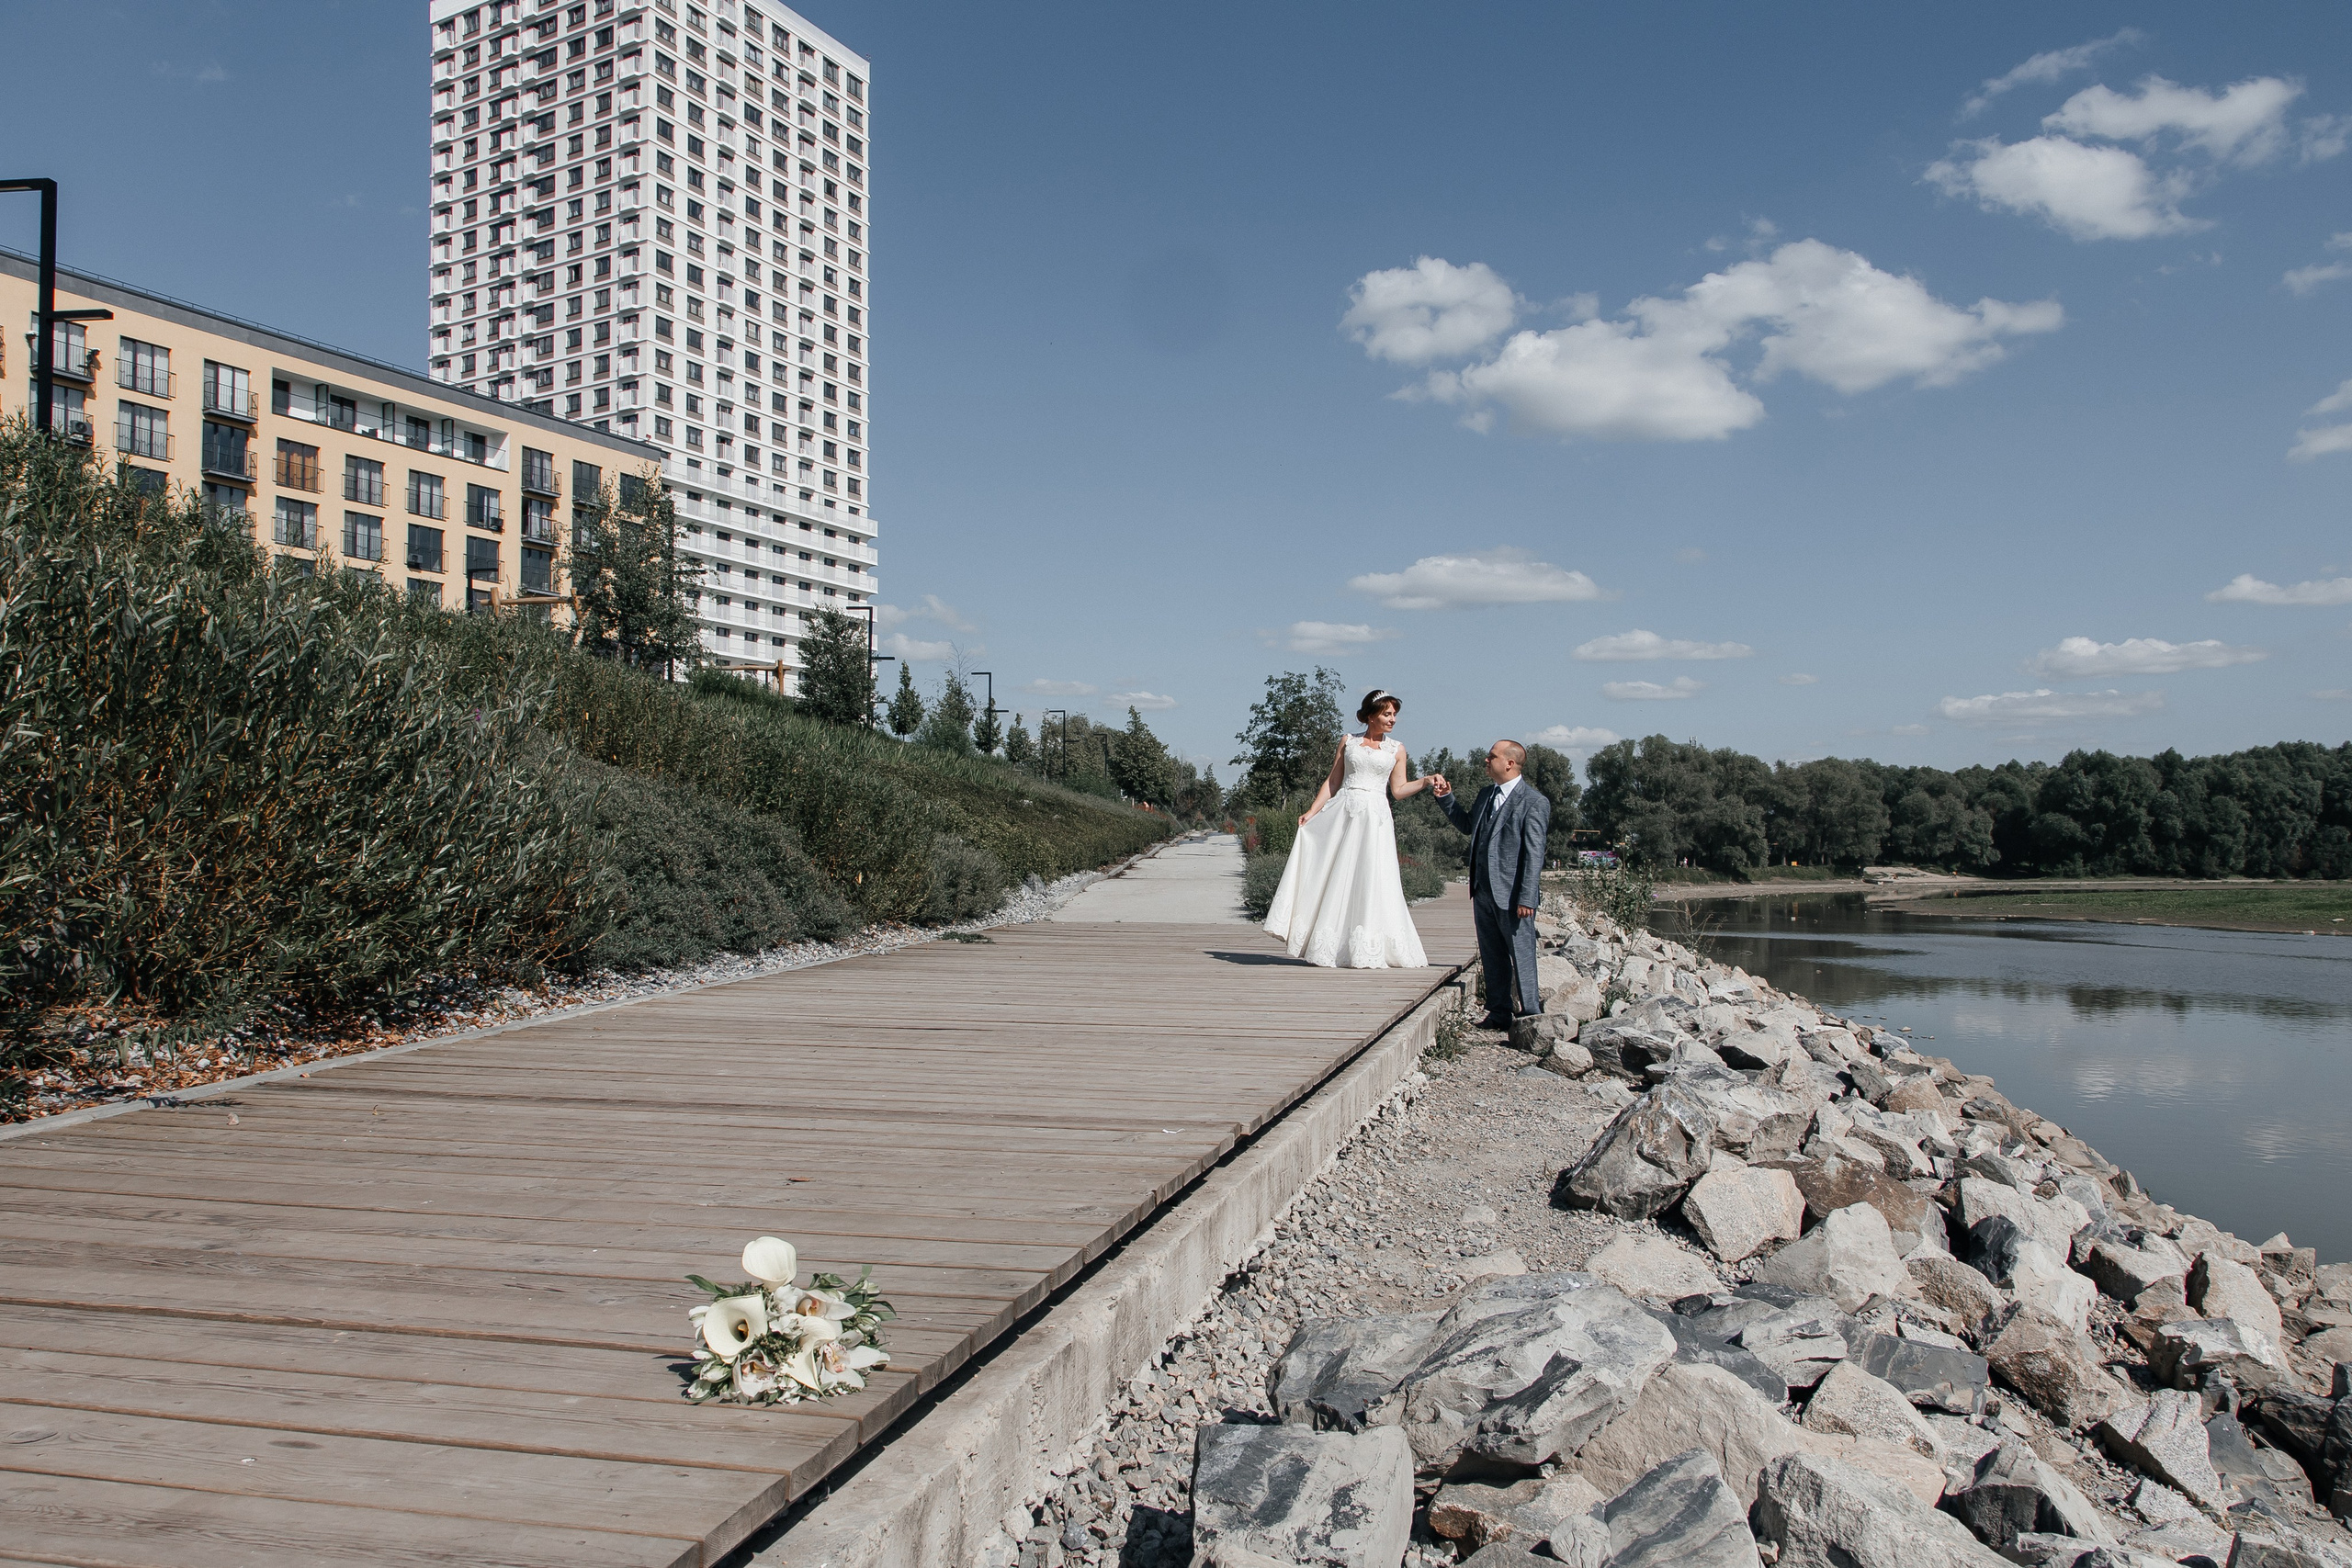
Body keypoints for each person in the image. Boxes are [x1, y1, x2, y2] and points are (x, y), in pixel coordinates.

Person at [1261, 690, 1436, 968]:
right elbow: (1332, 782)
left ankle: (1366, 945)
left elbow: (1399, 790)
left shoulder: (1397, 749)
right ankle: (1331, 945)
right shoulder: (1348, 741)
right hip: (1345, 811)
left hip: (1375, 818)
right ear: (1370, 715)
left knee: (1372, 876)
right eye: (1387, 714)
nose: (1392, 719)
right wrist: (1311, 812)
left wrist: (1425, 781)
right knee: (1338, 875)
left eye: (1394, 714)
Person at [1430, 740, 1549, 1029]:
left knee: (1521, 954)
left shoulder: (1534, 801)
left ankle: (1530, 1015)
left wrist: (1527, 897)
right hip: (1483, 890)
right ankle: (1498, 1014)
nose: (1486, 760)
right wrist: (1447, 799)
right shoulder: (1486, 795)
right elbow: (1470, 825)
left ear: (1509, 762)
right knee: (1492, 955)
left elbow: (1534, 854)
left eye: (1492, 757)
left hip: (1513, 896)